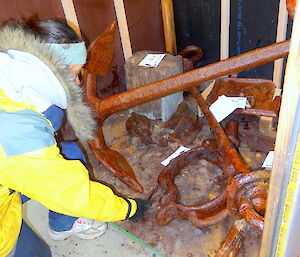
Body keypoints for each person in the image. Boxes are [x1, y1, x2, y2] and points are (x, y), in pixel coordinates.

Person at [0, 19, 152, 257]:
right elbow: (72, 194)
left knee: (69, 153)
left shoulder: (9, 77)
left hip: (7, 176)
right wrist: (129, 208)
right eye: (73, 74)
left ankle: (63, 224)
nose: (79, 82)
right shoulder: (20, 137)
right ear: (50, 72)